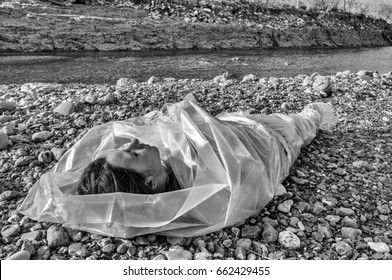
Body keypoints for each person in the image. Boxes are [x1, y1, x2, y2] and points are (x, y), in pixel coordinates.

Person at [19, 99, 337, 238]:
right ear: (153, 183)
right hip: (274, 141)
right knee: (305, 122)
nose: (131, 144)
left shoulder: (163, 174)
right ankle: (318, 113)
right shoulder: (209, 194)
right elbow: (248, 172)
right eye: (130, 155)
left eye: (124, 148)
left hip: (242, 127)